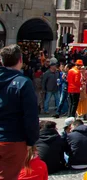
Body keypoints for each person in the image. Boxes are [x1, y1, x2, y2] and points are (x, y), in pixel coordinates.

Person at [0, 44, 40, 179]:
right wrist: (31, 141)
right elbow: (31, 116)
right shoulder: (23, 83)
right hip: (12, 139)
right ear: (20, 60)